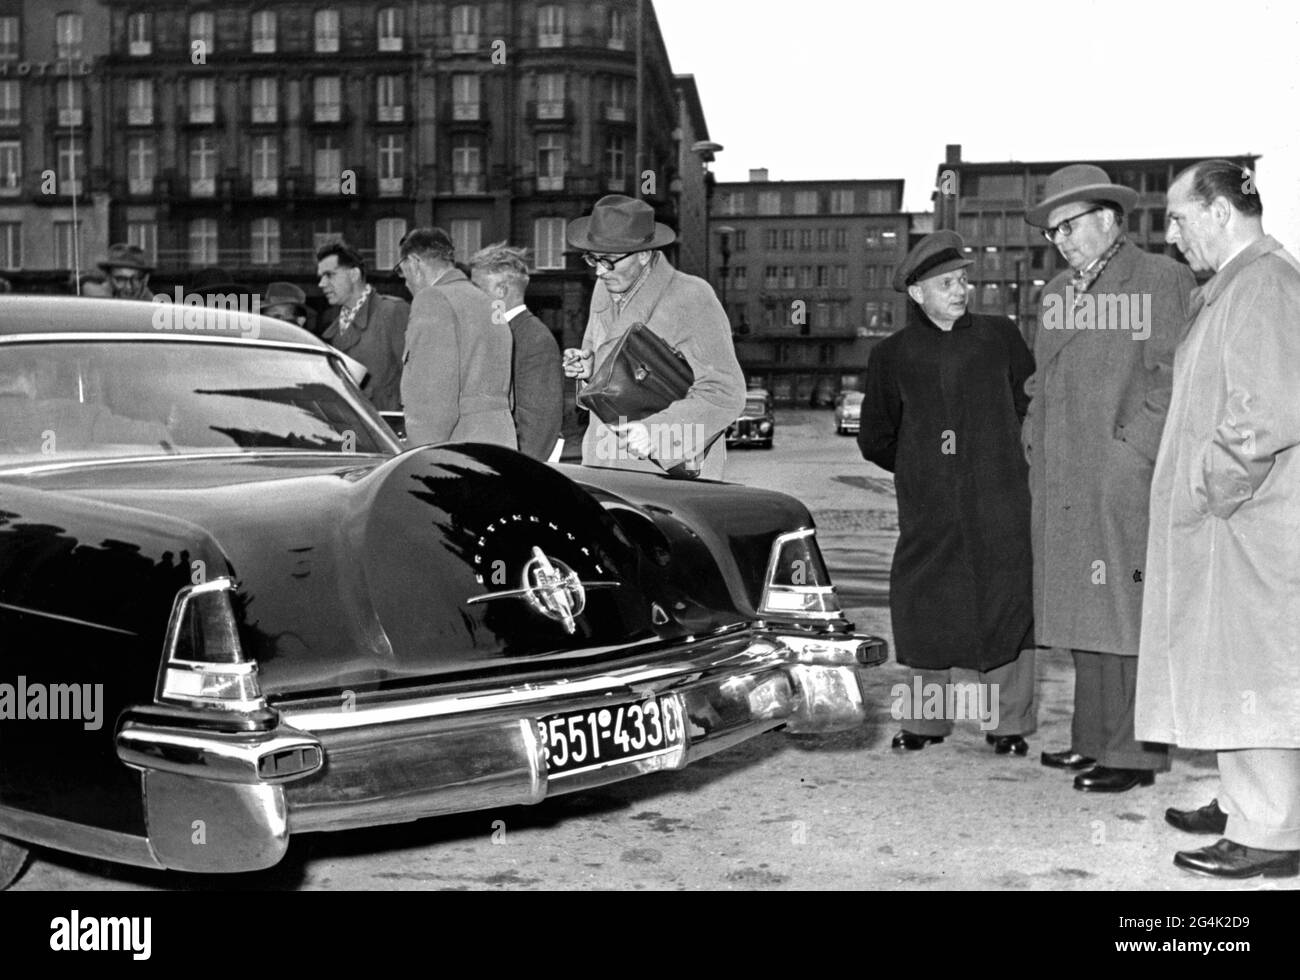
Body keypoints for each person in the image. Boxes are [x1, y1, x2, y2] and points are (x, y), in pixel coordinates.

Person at [1137, 161, 1300, 879]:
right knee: (1233, 662)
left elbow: (1262, 414)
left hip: (1246, 521)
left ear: (1218, 212)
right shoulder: (1240, 284)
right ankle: (1248, 800)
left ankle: (1268, 829)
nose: (1172, 237)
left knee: (1255, 668)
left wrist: (1209, 489)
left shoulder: (1263, 283)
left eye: (1178, 218)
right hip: (1237, 520)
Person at [1023, 164, 1196, 793]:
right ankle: (1091, 739)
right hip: (1065, 477)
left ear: (1109, 220)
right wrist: (1032, 437)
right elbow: (1041, 380)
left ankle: (1134, 755)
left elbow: (1170, 377)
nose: (1061, 239)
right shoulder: (1059, 292)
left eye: (1071, 225)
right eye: (1053, 230)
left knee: (1125, 616)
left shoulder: (1159, 279)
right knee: (1082, 613)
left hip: (1122, 476)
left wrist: (1132, 457)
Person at [859, 232, 1037, 755]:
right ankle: (925, 723)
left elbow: (1030, 403)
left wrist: (1002, 457)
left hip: (1003, 499)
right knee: (926, 605)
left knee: (1008, 604)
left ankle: (1007, 726)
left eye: (963, 281)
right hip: (929, 507)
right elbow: (876, 437)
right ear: (916, 294)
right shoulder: (890, 355)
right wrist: (922, 468)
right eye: (946, 284)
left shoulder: (1000, 336)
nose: (960, 291)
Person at [562, 195, 745, 478]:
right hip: (603, 462)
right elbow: (612, 371)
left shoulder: (692, 297)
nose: (599, 271)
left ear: (644, 255)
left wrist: (656, 432)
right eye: (592, 259)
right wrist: (588, 369)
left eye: (609, 260)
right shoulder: (604, 289)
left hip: (668, 473)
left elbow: (726, 394)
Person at [397, 228, 515, 449]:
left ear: (413, 262)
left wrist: (419, 455)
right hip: (501, 443)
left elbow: (432, 400)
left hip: (458, 449)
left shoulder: (433, 299)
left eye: (401, 271)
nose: (404, 283)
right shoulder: (486, 301)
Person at [469, 242, 563, 461]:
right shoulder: (501, 332)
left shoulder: (534, 339)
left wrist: (515, 478)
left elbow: (538, 428)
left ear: (501, 291)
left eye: (476, 289)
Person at [316, 242, 408, 411]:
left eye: (329, 275)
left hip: (385, 431)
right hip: (349, 432)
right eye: (321, 277)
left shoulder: (392, 312)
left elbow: (415, 379)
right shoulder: (333, 326)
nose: (321, 284)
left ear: (354, 275)